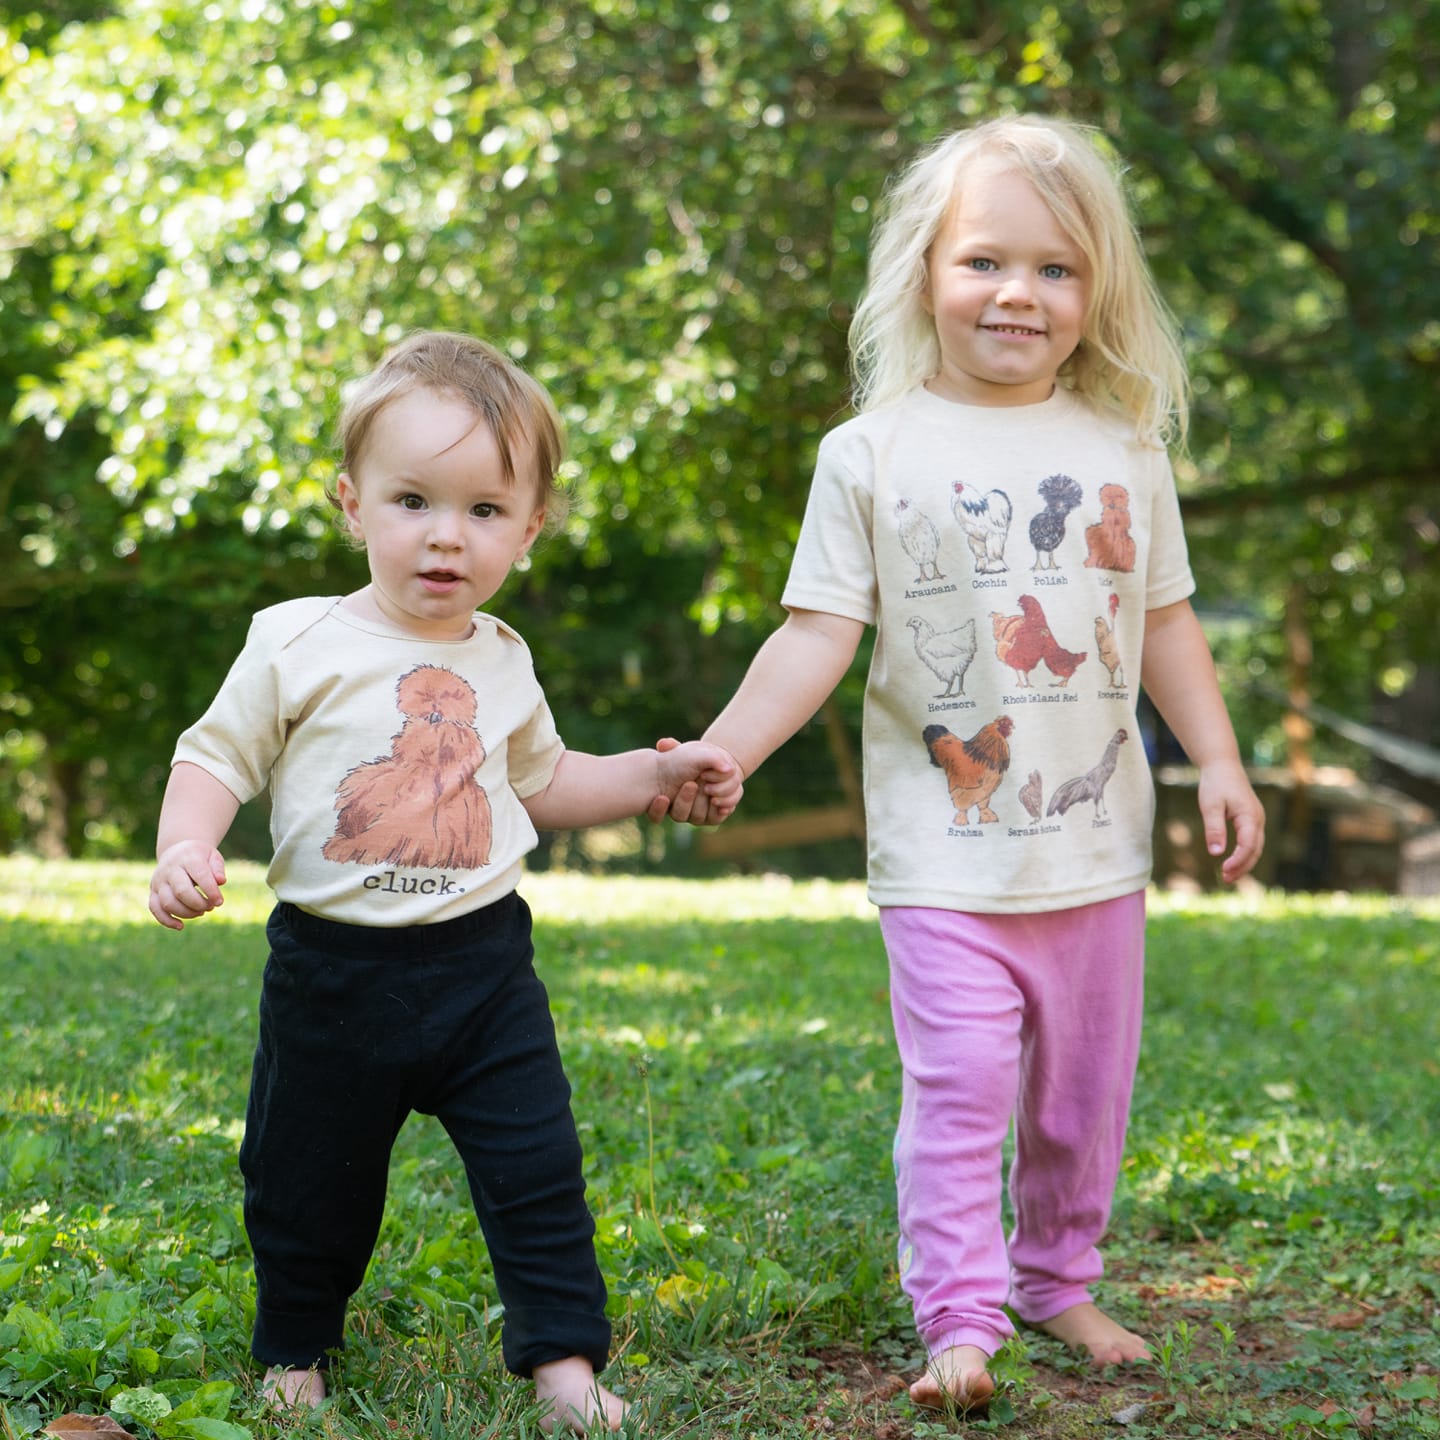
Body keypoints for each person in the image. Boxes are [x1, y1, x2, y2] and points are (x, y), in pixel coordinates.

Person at [660, 115, 1264, 1412]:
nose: (1019, 294)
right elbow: (818, 631)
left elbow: (1164, 622)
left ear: (1097, 289)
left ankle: (1058, 1276)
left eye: (1057, 268)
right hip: (945, 855)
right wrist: (728, 747)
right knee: (964, 1088)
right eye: (986, 260)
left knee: (1080, 1101)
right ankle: (960, 1321)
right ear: (925, 271)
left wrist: (1219, 759)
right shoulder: (873, 454)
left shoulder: (1125, 444)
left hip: (1095, 849)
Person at [147, 330, 742, 1433]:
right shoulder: (297, 641)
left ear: (530, 525)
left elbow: (548, 780)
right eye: (413, 499)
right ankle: (295, 1351)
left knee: (538, 1170)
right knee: (305, 1176)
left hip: (483, 969)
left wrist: (656, 775)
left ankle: (565, 1366)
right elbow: (214, 757)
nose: (444, 537)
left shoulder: (504, 656)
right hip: (333, 974)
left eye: (482, 510)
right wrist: (189, 843)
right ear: (351, 502)